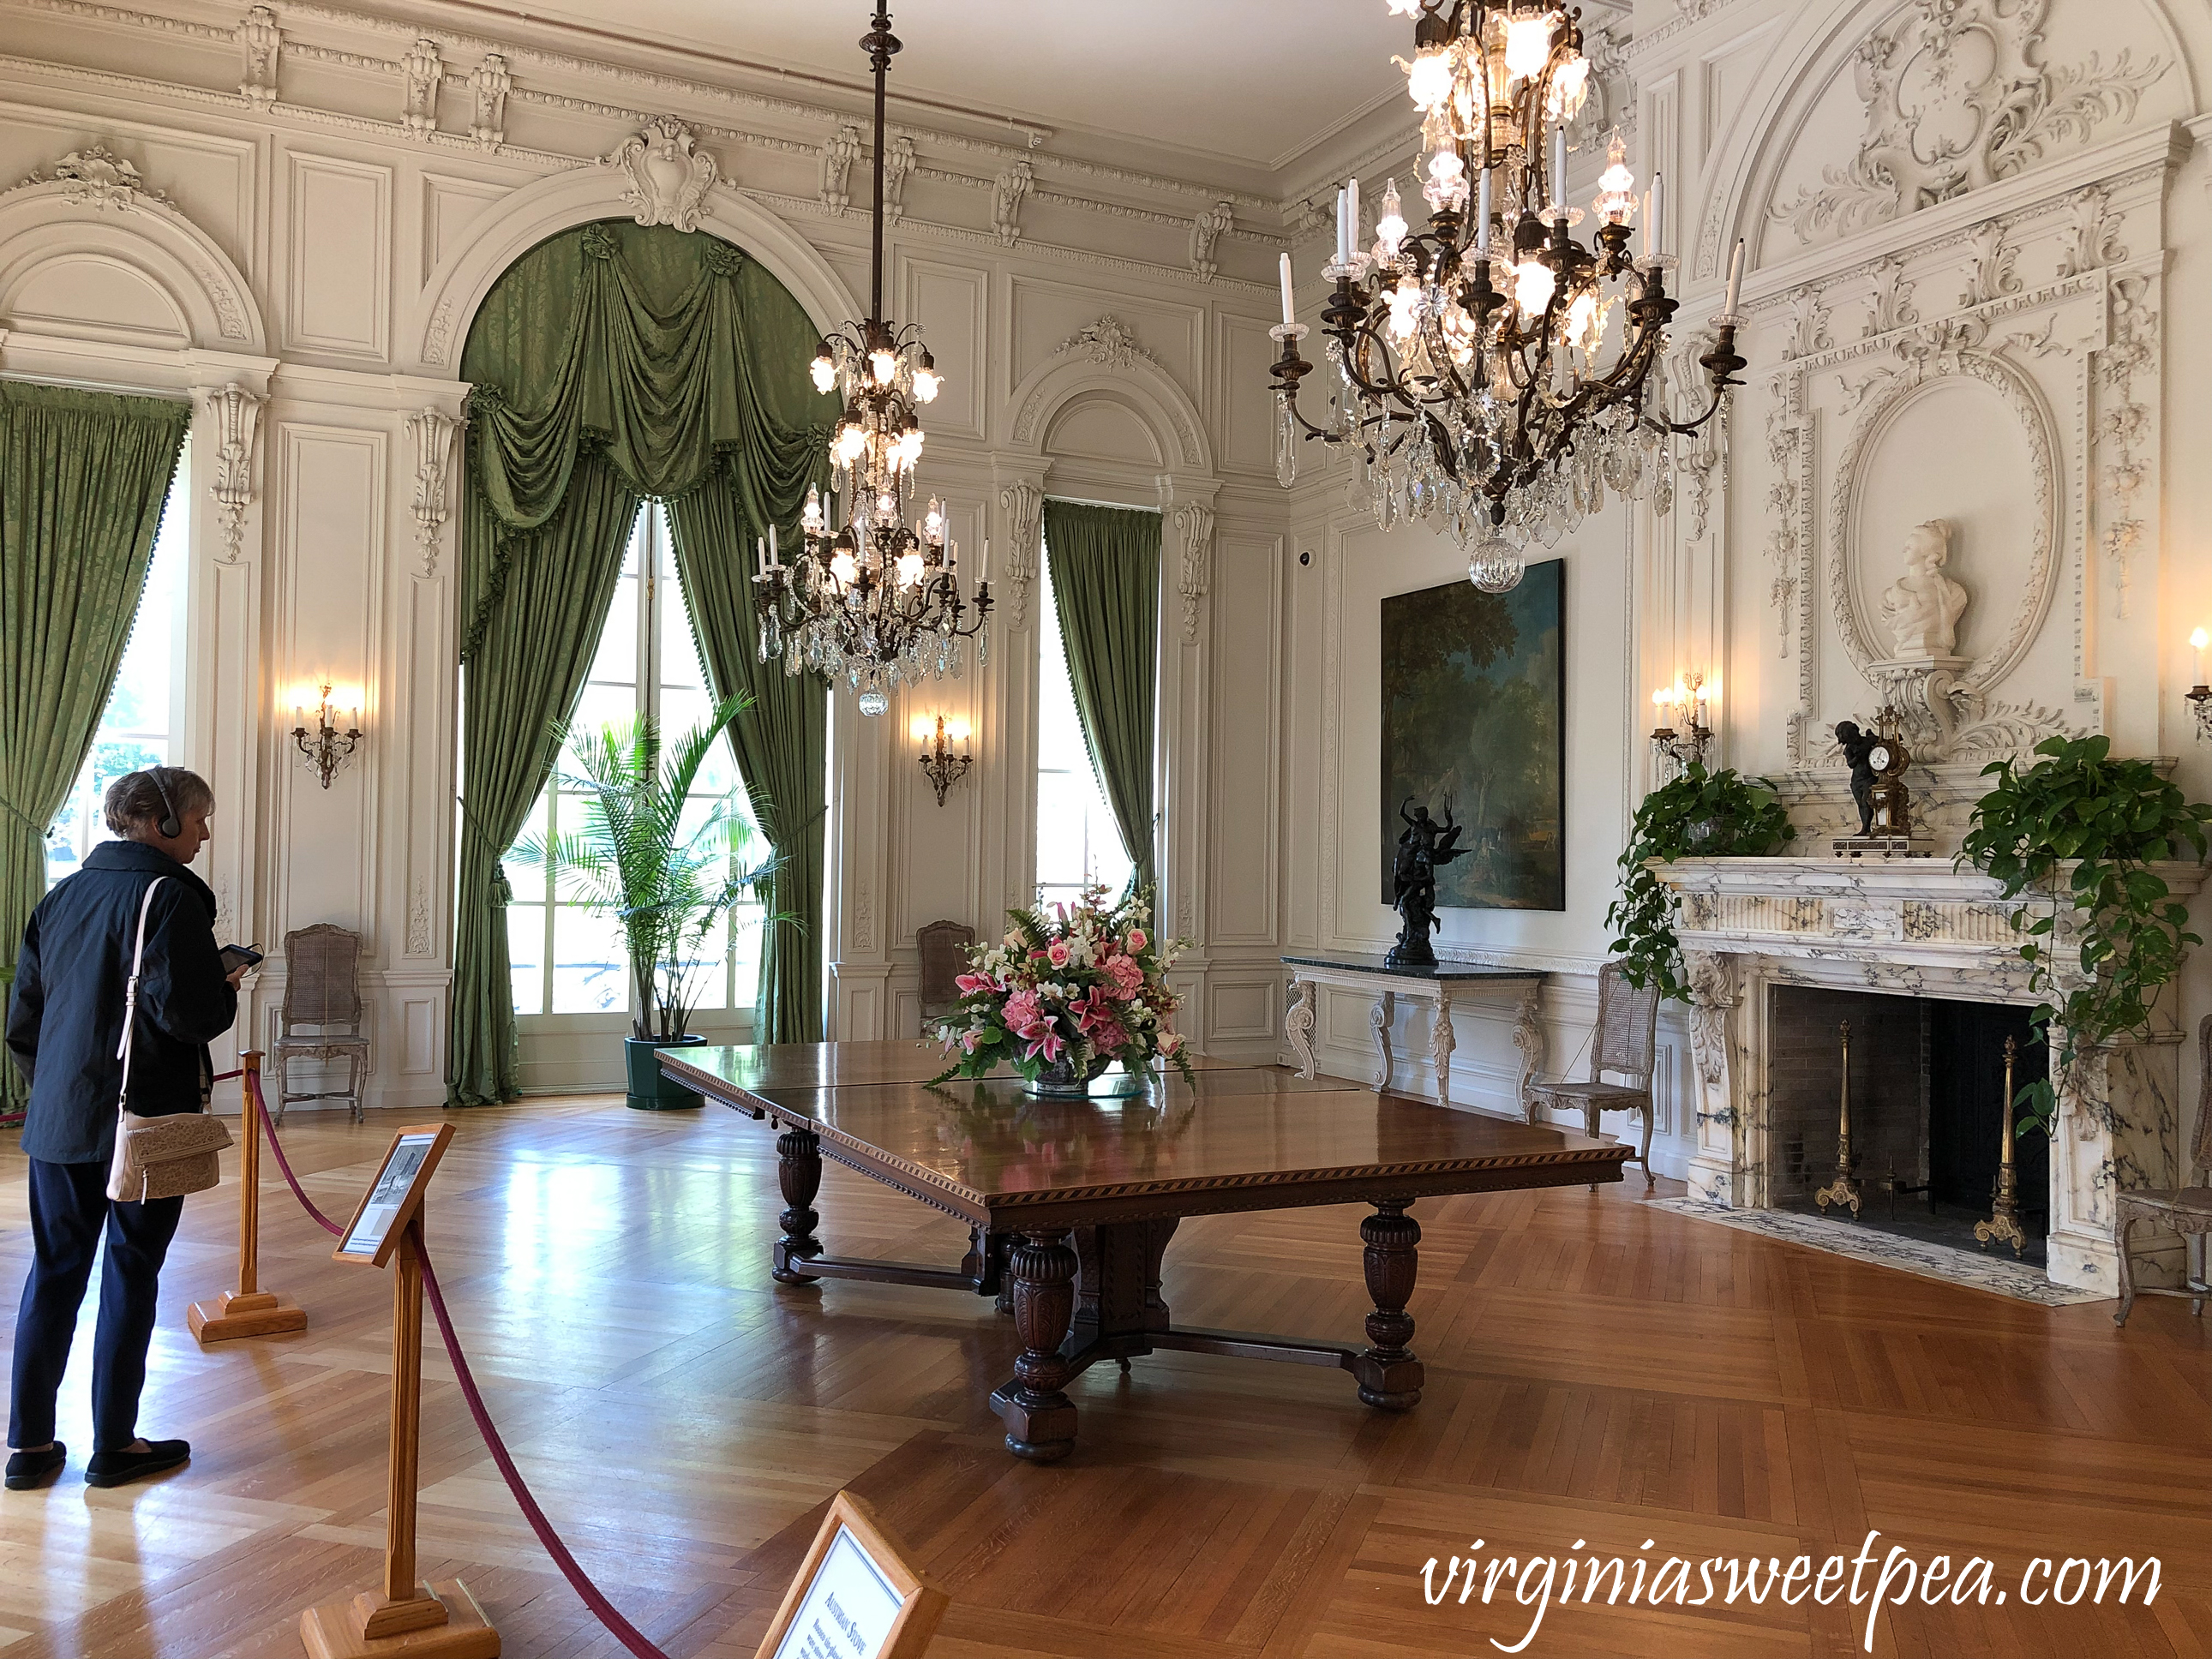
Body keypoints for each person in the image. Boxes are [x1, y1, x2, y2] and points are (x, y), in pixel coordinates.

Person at [5, 767, 245, 1490]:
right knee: (131, 1272)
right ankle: (113, 1444)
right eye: (200, 819)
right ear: (163, 822)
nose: (205, 833)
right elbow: (190, 1016)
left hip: (58, 1123)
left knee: (52, 1275)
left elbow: (24, 1026)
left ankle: (29, 1447)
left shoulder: (60, 896)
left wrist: (61, 1094)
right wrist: (222, 980)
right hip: (143, 1122)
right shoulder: (168, 897)